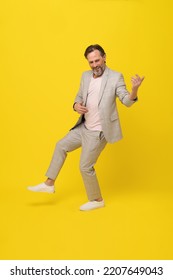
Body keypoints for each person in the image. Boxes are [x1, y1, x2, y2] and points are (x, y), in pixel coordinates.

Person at [27, 44, 144, 211]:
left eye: (97, 60)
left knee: (85, 166)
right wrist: (76, 105)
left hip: (98, 132)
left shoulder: (115, 77)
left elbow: (126, 102)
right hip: (83, 127)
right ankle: (49, 183)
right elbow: (79, 96)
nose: (95, 65)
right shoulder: (85, 76)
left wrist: (135, 89)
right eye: (91, 62)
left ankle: (97, 200)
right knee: (61, 146)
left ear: (104, 57)